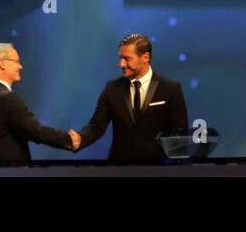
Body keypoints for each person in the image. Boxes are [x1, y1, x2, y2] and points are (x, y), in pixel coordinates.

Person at [76, 33, 188, 161]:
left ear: (145, 57)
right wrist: (79, 139)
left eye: (126, 58)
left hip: (158, 170)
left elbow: (180, 135)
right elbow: (96, 127)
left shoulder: (170, 89)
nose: (121, 64)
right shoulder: (112, 89)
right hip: (119, 169)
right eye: (120, 58)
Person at [0, 43, 78, 161]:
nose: (20, 66)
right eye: (16, 61)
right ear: (2, 63)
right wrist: (68, 139)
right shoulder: (7, 98)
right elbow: (36, 131)